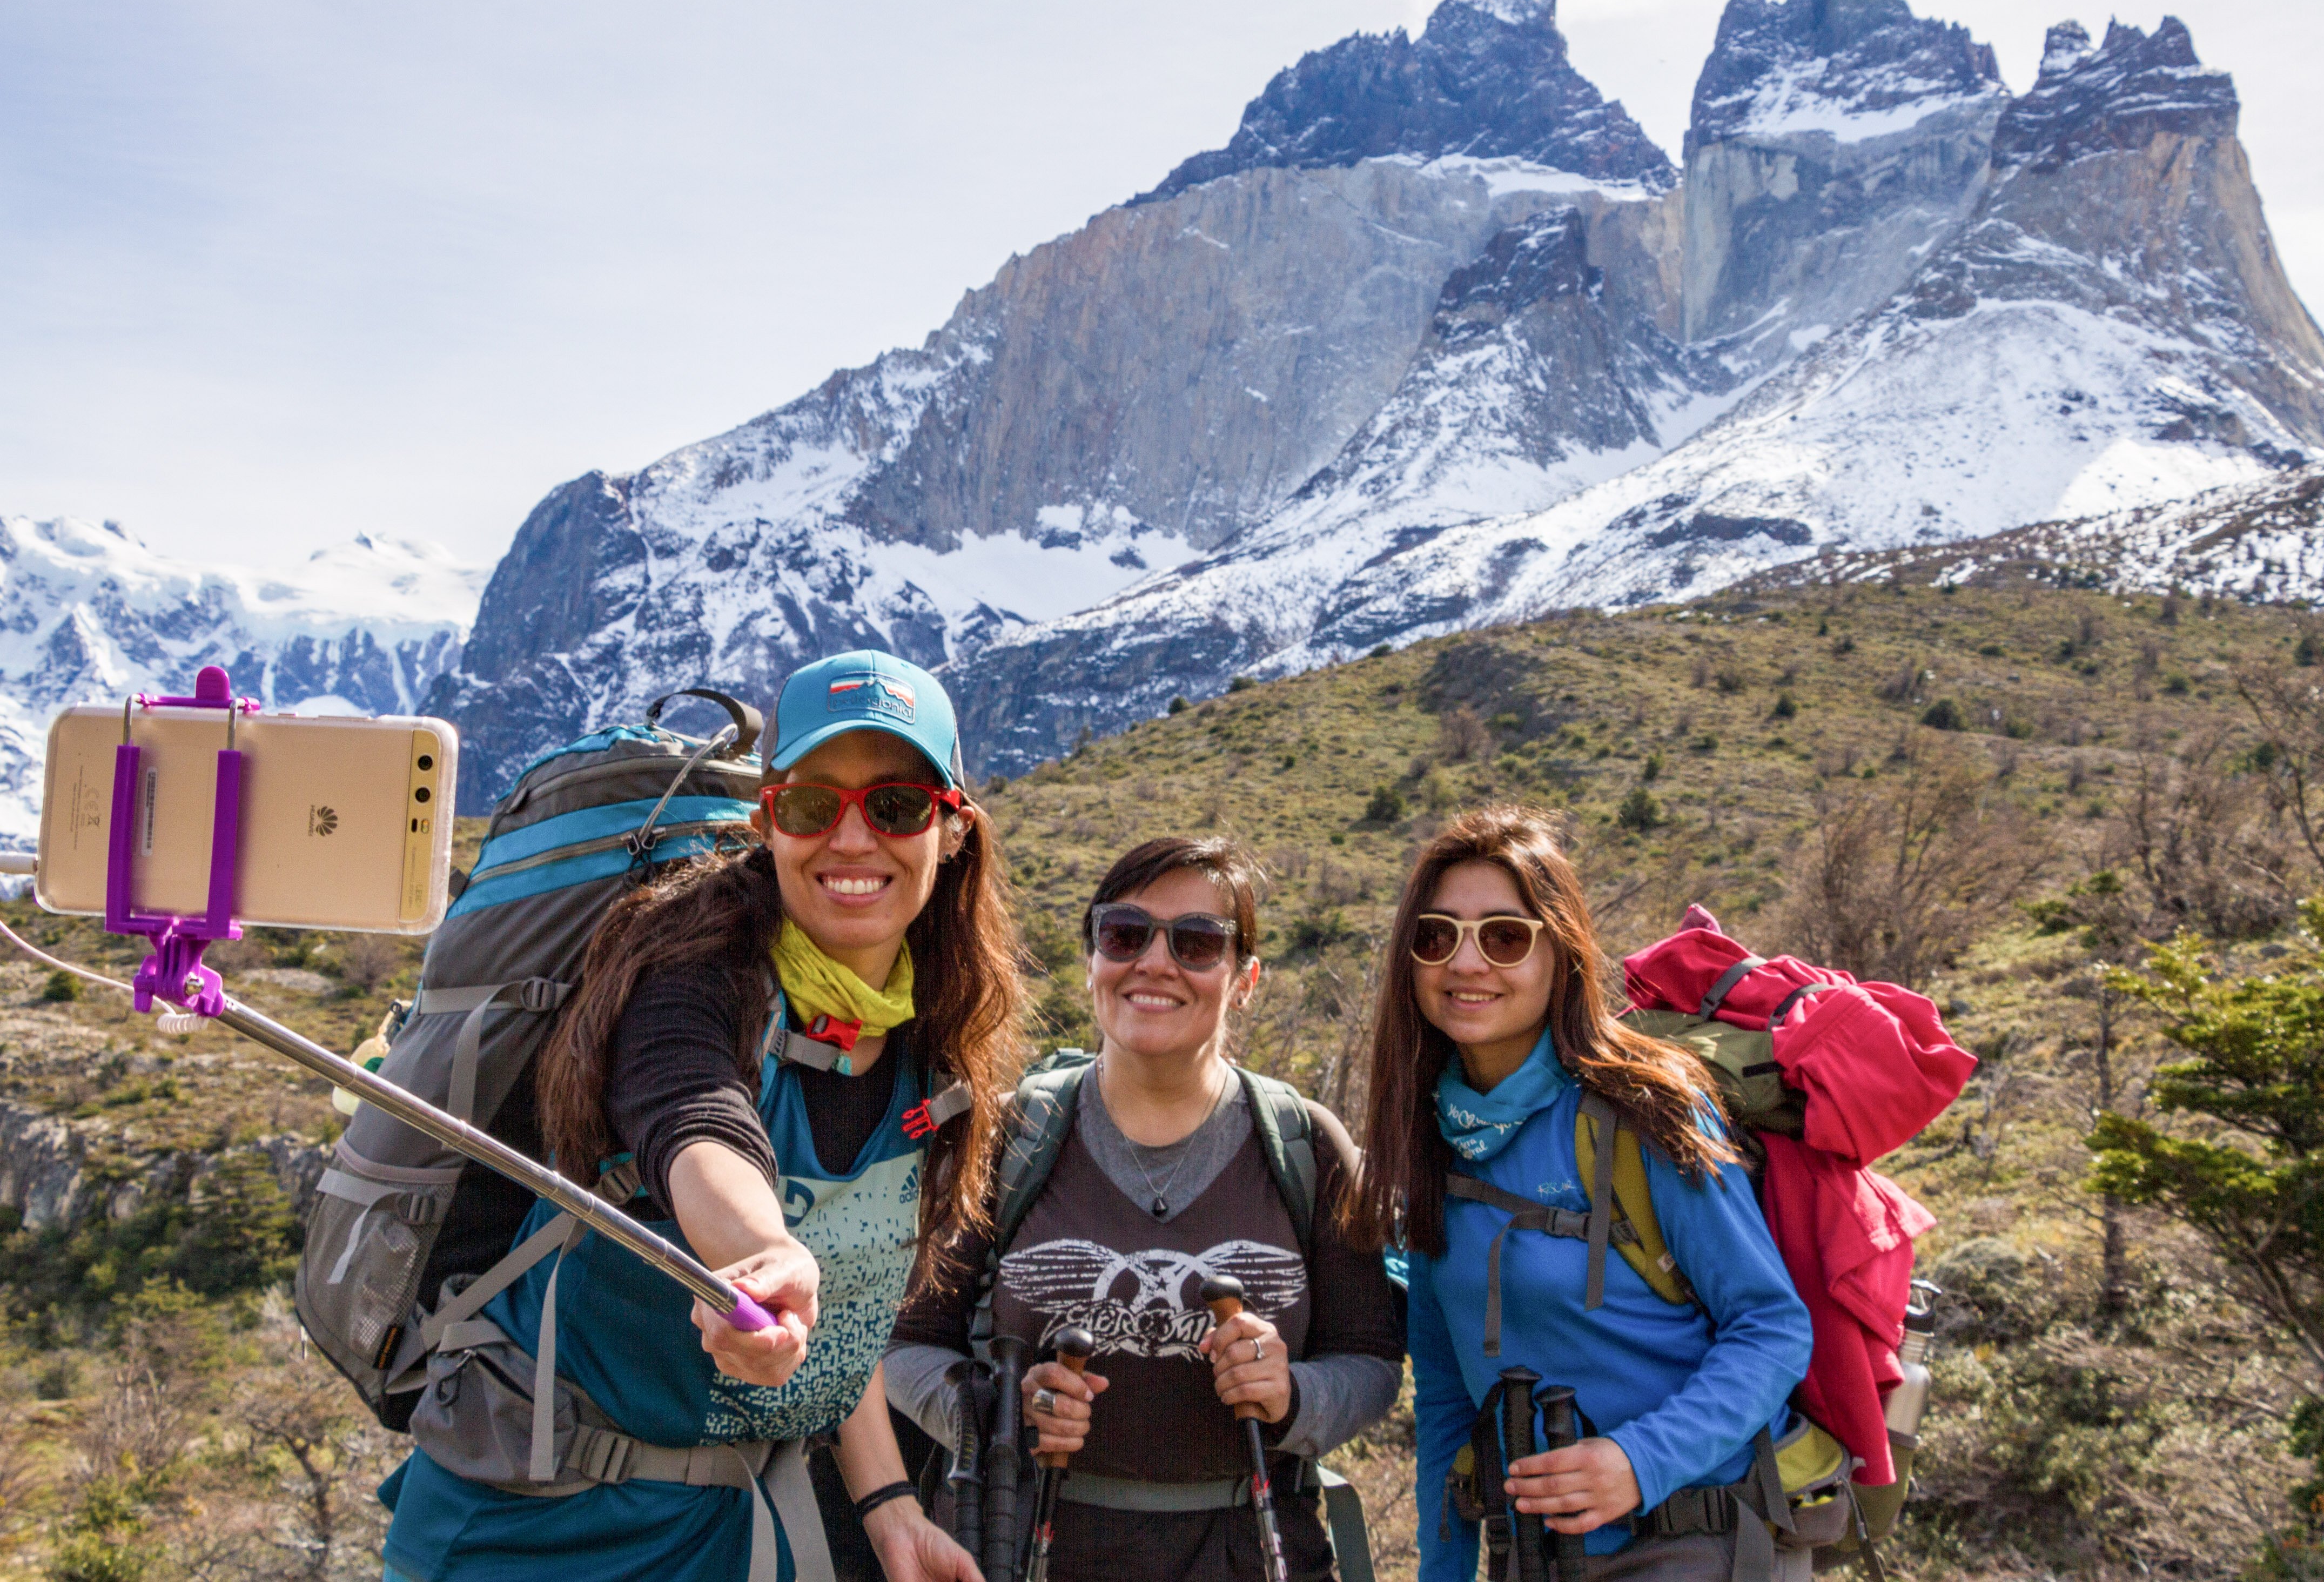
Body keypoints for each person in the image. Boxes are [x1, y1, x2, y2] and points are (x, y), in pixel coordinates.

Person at [380, 651, 1027, 1582]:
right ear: (769, 824)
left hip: (720, 1531)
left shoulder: (932, 1056)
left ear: (952, 829)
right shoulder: (683, 980)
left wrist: (888, 1511)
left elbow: (837, 1318)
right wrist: (762, 1253)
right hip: (517, 1526)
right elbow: (698, 1122)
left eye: (895, 806)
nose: (852, 840)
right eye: (812, 805)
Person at [884, 836, 1403, 1582]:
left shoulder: (1306, 1145)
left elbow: (1373, 1359)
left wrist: (1294, 1394)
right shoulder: (1004, 1138)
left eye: (1196, 943)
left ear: (1244, 979)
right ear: (1093, 957)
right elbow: (904, 1346)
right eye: (1126, 935)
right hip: (1022, 1552)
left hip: (1253, 1554)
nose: (1155, 964)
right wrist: (999, 1406)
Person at [1346, 807, 1815, 1582]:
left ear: (1560, 954)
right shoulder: (1429, 1139)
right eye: (1436, 936)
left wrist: (1637, 1461)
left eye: (1503, 936)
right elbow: (1443, 1403)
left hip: (1697, 1545)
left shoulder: (1641, 1109)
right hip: (1529, 1557)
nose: (1466, 963)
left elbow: (1770, 1328)